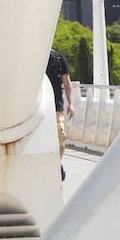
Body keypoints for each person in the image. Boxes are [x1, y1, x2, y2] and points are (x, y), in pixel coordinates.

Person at [46, 48, 74, 179]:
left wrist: (71, 104)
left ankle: (57, 163)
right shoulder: (35, 58)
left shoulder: (58, 59)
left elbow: (67, 83)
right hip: (38, 107)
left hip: (57, 107)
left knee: (61, 139)